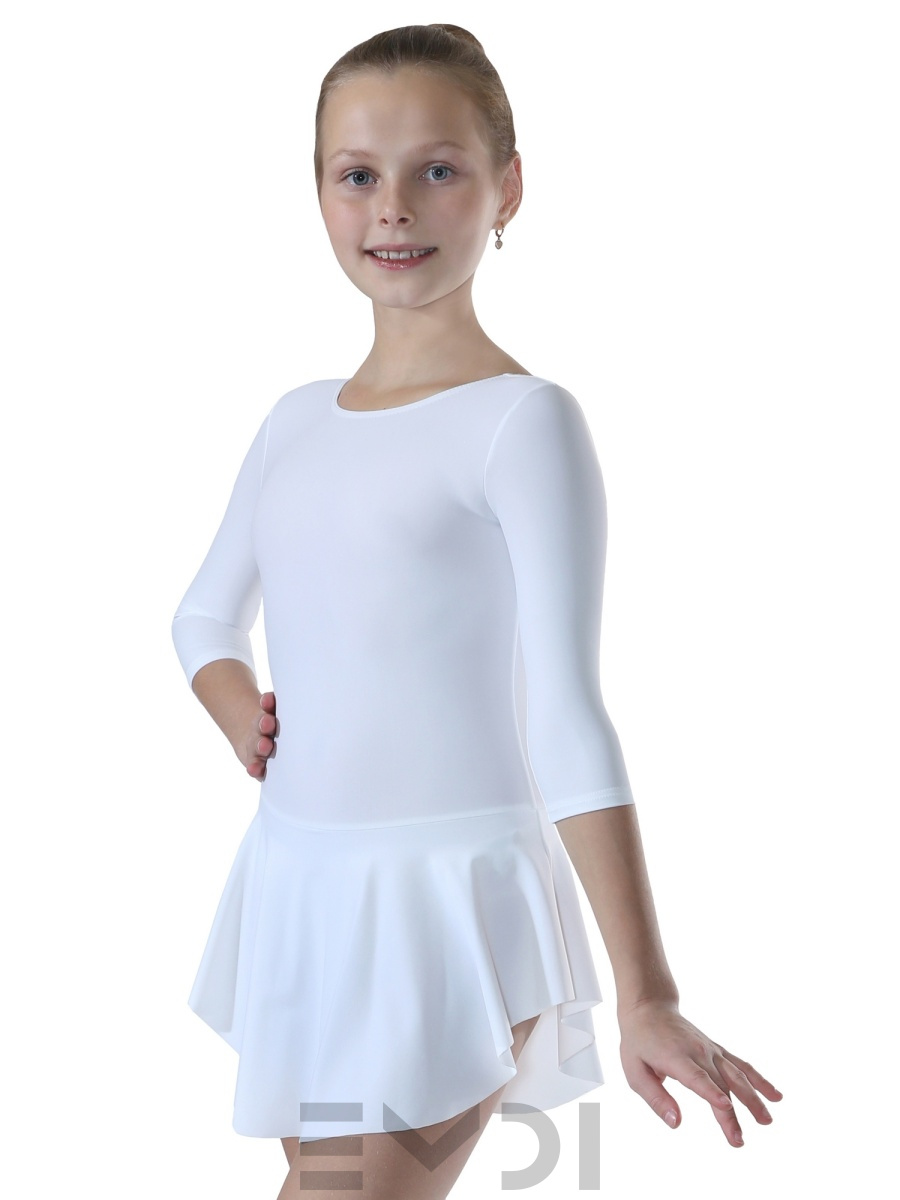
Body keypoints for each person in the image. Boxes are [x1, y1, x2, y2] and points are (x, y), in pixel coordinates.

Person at [172, 23, 782, 1200]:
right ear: (318, 192)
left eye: (437, 169)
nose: (393, 206)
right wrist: (236, 704)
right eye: (358, 174)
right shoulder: (294, 422)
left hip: (452, 903)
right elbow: (202, 617)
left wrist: (646, 991)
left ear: (508, 188)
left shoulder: (522, 421)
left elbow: (566, 712)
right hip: (303, 884)